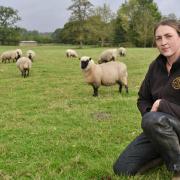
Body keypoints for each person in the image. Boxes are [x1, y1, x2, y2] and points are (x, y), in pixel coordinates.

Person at [113, 19, 180, 179]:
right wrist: (151, 113)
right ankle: (168, 151)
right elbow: (142, 99)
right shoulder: (155, 66)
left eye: (168, 36)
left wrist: (162, 105)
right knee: (122, 169)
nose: (163, 42)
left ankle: (178, 170)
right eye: (158, 38)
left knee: (153, 120)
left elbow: (159, 112)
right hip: (160, 128)